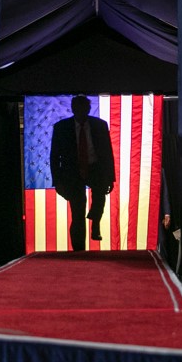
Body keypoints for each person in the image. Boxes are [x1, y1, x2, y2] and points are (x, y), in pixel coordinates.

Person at [49, 95, 116, 250]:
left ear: (88, 109)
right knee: (77, 213)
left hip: (95, 169)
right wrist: (57, 182)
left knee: (99, 199)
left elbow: (107, 153)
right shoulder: (61, 127)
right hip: (73, 173)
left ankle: (95, 222)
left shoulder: (99, 125)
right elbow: (54, 156)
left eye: (84, 108)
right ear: (72, 109)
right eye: (77, 109)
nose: (80, 112)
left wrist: (111, 178)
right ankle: (78, 250)